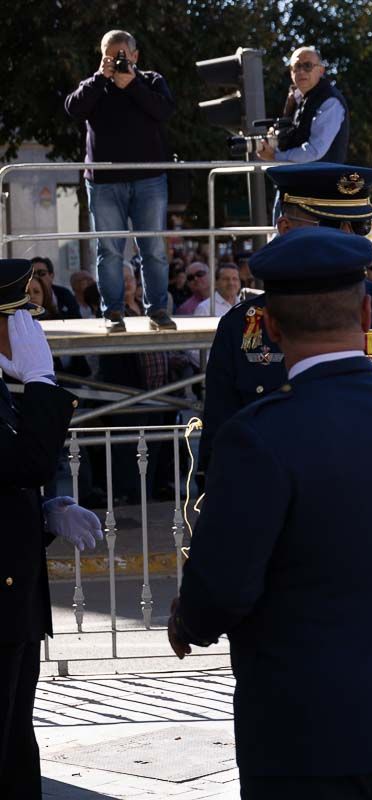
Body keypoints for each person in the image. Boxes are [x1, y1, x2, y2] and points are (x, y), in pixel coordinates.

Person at [168, 229, 372, 799]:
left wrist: (191, 620)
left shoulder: (258, 435)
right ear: (365, 310)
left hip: (302, 717)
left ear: (273, 329)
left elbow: (223, 585)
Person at [198, 164, 372, 478]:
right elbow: (220, 458)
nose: (349, 238)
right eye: (330, 224)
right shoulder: (242, 325)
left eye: (359, 226)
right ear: (285, 229)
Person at [0, 261, 103, 797]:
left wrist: (42, 514)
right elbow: (28, 462)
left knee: (17, 749)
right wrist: (40, 381)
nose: (29, 332)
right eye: (18, 321)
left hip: (15, 603)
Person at [64, 29, 176, 334]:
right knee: (109, 250)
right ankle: (113, 312)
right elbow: (73, 108)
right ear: (102, 56)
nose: (118, 60)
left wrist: (133, 85)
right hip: (104, 182)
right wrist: (102, 78)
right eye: (111, 55)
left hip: (149, 180)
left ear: (135, 55)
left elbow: (165, 111)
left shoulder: (151, 80)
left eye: (123, 55)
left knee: (152, 247)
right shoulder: (94, 84)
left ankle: (159, 311)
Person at [257, 47, 348, 164]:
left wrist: (275, 156)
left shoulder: (329, 101)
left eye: (308, 66)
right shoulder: (297, 98)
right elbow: (297, 139)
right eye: (297, 66)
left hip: (323, 180)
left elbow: (314, 151)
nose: (301, 71)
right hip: (300, 179)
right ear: (291, 72)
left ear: (321, 71)